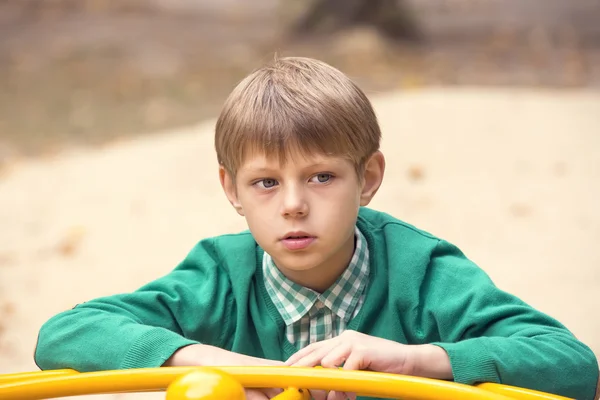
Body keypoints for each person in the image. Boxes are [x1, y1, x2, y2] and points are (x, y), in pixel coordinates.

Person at [34, 57, 599, 400]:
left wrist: (419, 360)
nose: (295, 205)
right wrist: (211, 359)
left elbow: (571, 365)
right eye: (265, 184)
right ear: (231, 190)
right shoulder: (220, 275)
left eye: (322, 176)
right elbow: (63, 335)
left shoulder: (421, 272)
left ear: (369, 176)